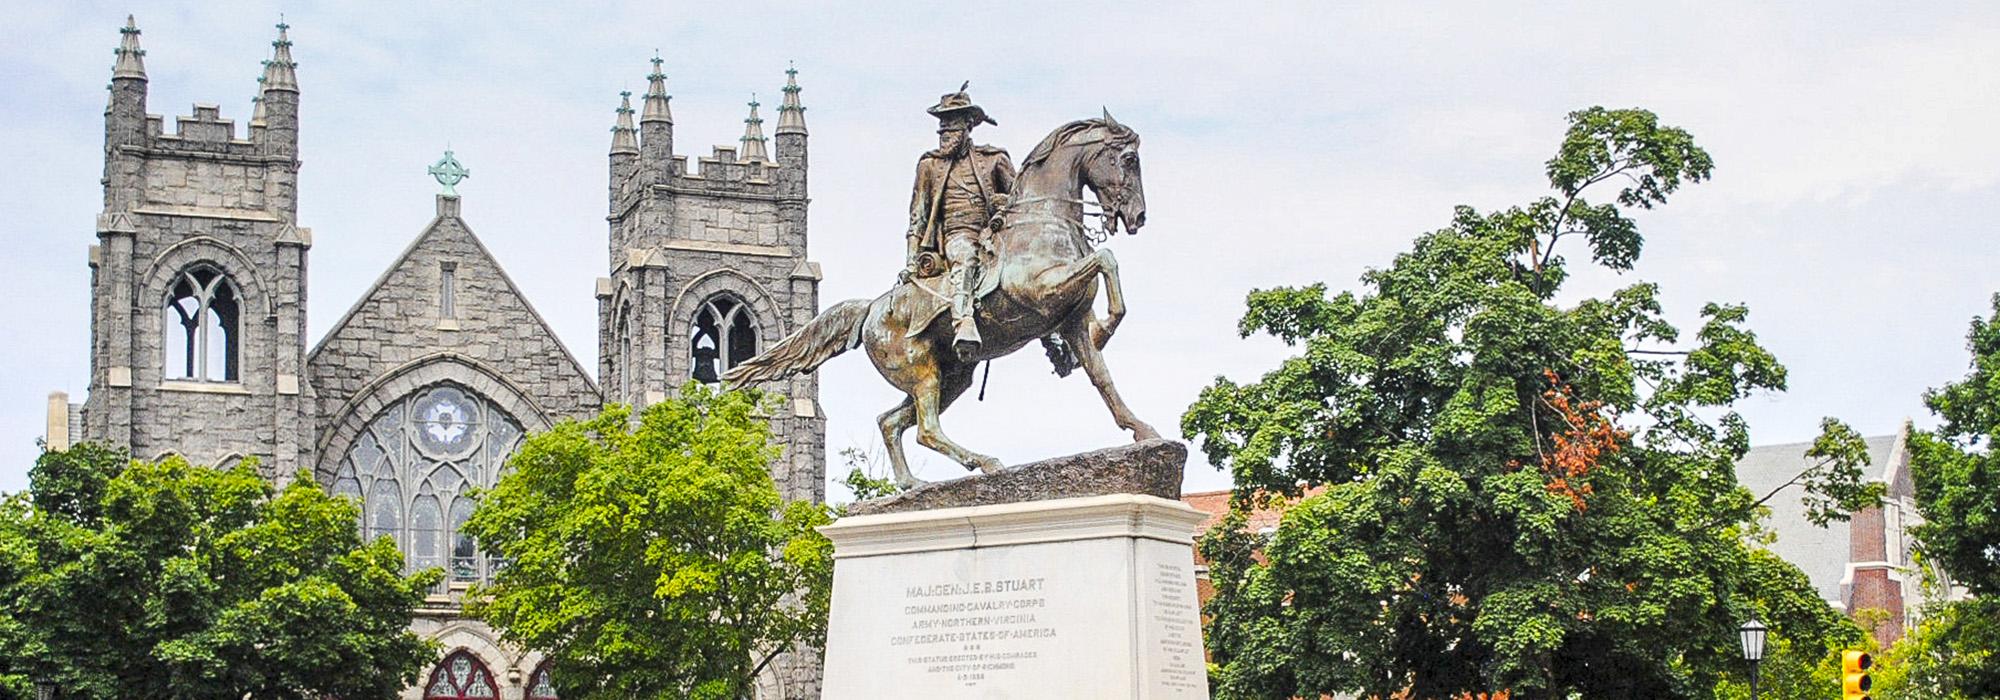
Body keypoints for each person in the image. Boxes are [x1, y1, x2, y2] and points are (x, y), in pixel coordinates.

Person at [903, 83, 1015, 359]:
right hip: (956, 236)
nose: (944, 132)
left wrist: (1003, 207)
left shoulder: (994, 159)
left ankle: (1056, 337)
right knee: (965, 256)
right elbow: (917, 216)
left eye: (951, 126)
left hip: (995, 236)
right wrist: (910, 261)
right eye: (941, 126)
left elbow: (1018, 198)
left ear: (968, 126)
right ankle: (963, 322)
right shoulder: (929, 165)